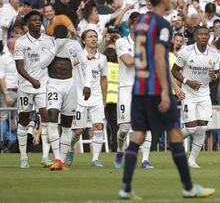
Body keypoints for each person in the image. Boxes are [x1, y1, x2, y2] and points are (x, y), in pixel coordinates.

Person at [119, 0, 215, 200]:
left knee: (138, 135)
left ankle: (125, 187)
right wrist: (166, 91)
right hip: (155, 86)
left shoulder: (140, 22)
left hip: (139, 87)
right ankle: (188, 186)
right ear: (162, 0)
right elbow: (160, 58)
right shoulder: (163, 24)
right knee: (174, 132)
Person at [39, 25, 92, 170]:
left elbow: (86, 64)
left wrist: (87, 85)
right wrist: (56, 47)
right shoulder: (48, 44)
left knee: (67, 124)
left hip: (70, 85)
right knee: (52, 116)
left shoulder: (74, 45)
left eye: (64, 35)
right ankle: (56, 157)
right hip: (53, 84)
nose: (62, 37)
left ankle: (61, 161)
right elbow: (42, 65)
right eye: (59, 35)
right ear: (53, 35)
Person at [171, 26, 220, 168]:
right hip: (188, 94)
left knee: (202, 128)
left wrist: (214, 76)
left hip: (204, 94)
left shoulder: (214, 53)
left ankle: (192, 160)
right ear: (195, 37)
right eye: (201, 34)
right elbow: (174, 71)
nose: (204, 36)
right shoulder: (185, 52)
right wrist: (187, 82)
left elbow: (216, 73)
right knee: (192, 128)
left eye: (206, 34)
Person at [14, 11, 53, 168]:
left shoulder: (49, 40)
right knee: (23, 119)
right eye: (34, 20)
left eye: (39, 20)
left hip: (44, 85)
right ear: (27, 24)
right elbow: (19, 66)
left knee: (46, 117)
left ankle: (45, 156)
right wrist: (31, 80)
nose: (37, 22)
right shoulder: (21, 42)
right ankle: (23, 157)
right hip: (25, 86)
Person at [114, 15, 154, 169]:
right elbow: (128, 61)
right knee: (124, 128)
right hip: (126, 88)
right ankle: (119, 150)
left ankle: (145, 160)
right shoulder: (121, 42)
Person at [66, 29, 108, 168]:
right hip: (79, 98)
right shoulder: (78, 56)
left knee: (98, 126)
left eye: (95, 36)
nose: (93, 38)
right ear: (83, 40)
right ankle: (71, 148)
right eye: (90, 36)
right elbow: (68, 67)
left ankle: (95, 159)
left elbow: (103, 79)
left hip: (96, 98)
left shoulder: (102, 58)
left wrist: (104, 98)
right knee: (78, 131)